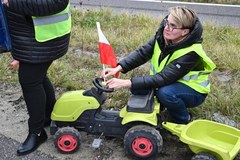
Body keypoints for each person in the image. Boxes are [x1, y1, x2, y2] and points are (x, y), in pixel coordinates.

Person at [101, 6, 216, 124]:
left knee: (165, 93)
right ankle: (161, 106)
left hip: (193, 91)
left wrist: (126, 82)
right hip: (169, 82)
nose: (166, 28)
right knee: (137, 89)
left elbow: (163, 78)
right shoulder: (162, 37)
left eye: (173, 26)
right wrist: (118, 68)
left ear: (184, 32)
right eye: (167, 22)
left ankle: (183, 119)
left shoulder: (192, 53)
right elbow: (142, 53)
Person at [2, 0, 71, 156]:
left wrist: (11, 3)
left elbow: (56, 3)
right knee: (37, 77)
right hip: (28, 35)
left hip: (45, 37)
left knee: (30, 80)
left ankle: (37, 132)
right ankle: (50, 115)